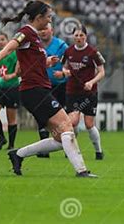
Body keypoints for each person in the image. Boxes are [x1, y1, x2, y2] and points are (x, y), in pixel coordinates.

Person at [0, 0, 97, 178]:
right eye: (48, 17)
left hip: (36, 91)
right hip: (34, 91)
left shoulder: (34, 37)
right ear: (39, 17)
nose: (49, 21)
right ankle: (81, 171)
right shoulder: (25, 32)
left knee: (59, 138)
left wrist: (47, 62)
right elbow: (10, 46)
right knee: (67, 127)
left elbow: (31, 60)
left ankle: (18, 155)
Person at [55, 24, 105, 160]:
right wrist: (64, 73)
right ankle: (70, 149)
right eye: (76, 35)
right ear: (73, 37)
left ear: (85, 36)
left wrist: (91, 82)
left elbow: (101, 72)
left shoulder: (93, 52)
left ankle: (98, 151)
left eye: (81, 35)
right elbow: (64, 68)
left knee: (89, 124)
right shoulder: (68, 51)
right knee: (73, 121)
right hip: (72, 91)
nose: (78, 38)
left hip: (89, 93)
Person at [36, 22, 69, 158]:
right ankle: (44, 149)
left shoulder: (61, 46)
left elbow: (69, 63)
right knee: (41, 116)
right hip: (43, 86)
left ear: (52, 31)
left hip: (60, 86)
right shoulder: (35, 45)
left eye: (46, 29)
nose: (43, 32)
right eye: (41, 29)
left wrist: (63, 72)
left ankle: (67, 145)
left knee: (62, 118)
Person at [0, 32, 20, 150]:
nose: (0, 42)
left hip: (12, 88)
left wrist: (10, 76)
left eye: (2, 39)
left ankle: (11, 145)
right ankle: (1, 138)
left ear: (8, 40)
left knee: (11, 118)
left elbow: (18, 72)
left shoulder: (16, 54)